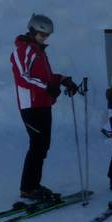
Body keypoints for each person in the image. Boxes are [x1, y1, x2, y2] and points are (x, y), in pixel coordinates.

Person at [10, 14, 78, 202]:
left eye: (47, 35)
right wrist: (47, 87)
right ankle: (27, 188)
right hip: (31, 106)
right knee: (37, 144)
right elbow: (22, 78)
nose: (45, 38)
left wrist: (62, 80)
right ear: (32, 31)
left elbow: (45, 78)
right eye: (42, 34)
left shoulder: (39, 51)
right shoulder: (23, 50)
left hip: (43, 104)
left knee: (42, 146)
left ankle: (34, 185)